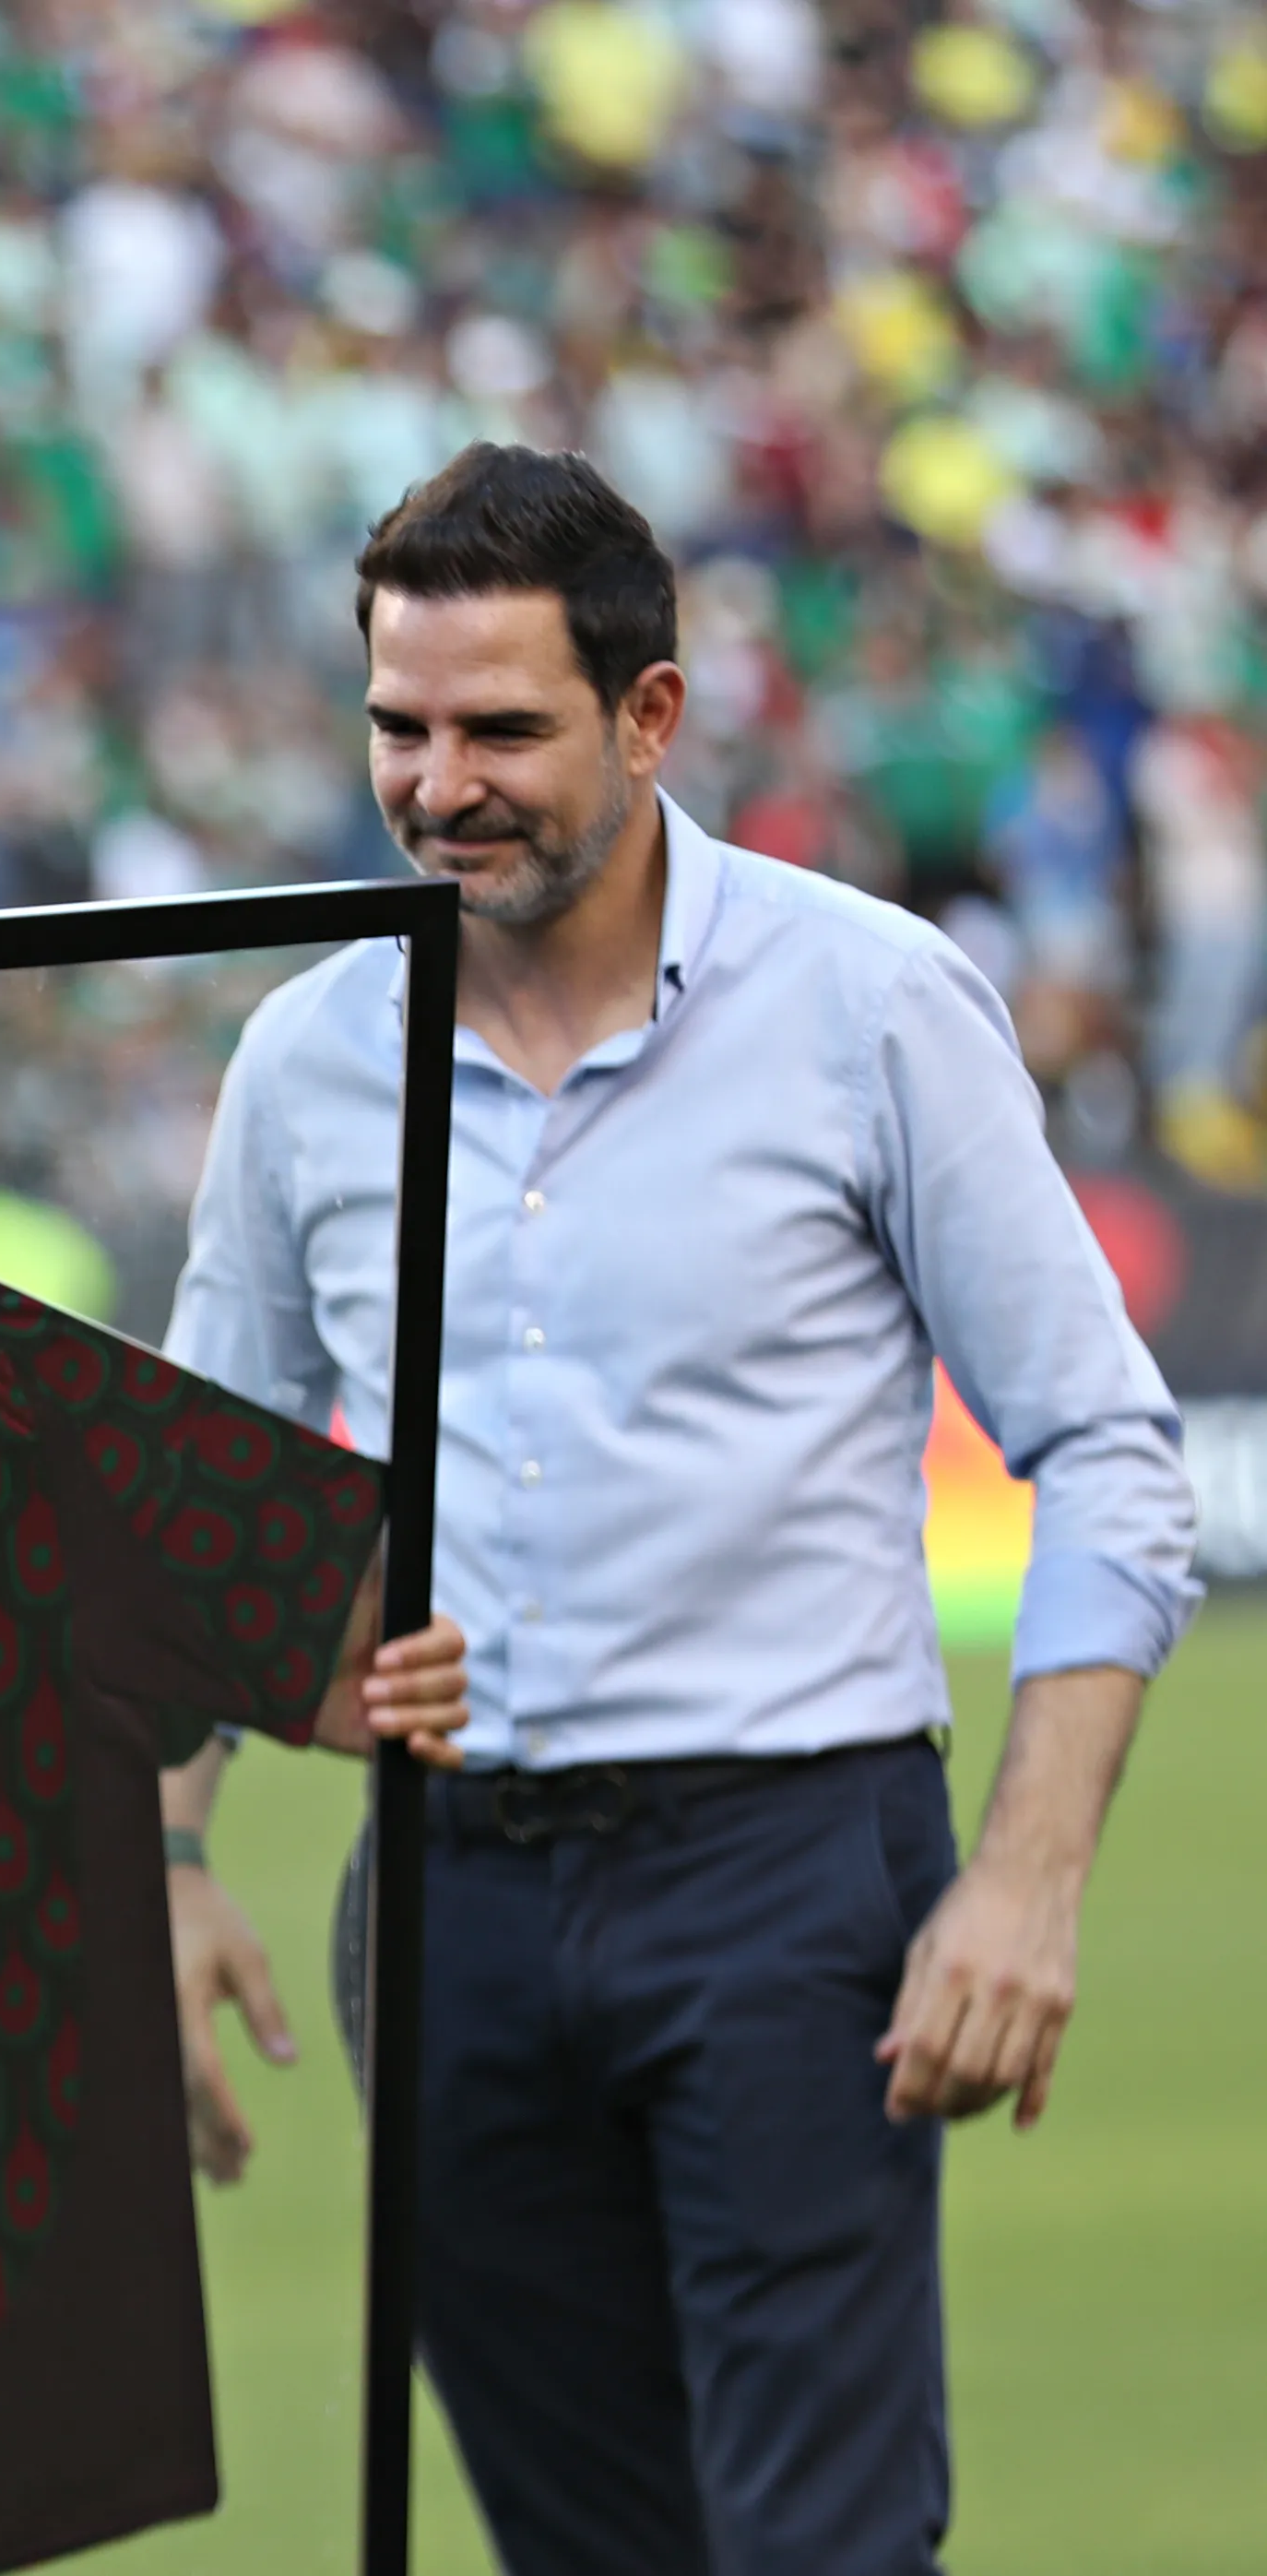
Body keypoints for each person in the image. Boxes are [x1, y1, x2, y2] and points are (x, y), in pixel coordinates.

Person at [159, 445, 1196, 2575]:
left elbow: (1107, 1448)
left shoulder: (868, 1001)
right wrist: (164, 1853)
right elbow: (209, 1502)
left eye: (502, 731)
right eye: (400, 728)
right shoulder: (306, 1053)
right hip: (445, 1907)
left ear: (649, 719)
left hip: (789, 1881)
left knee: (818, 2551)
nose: (440, 784)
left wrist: (1026, 1879)